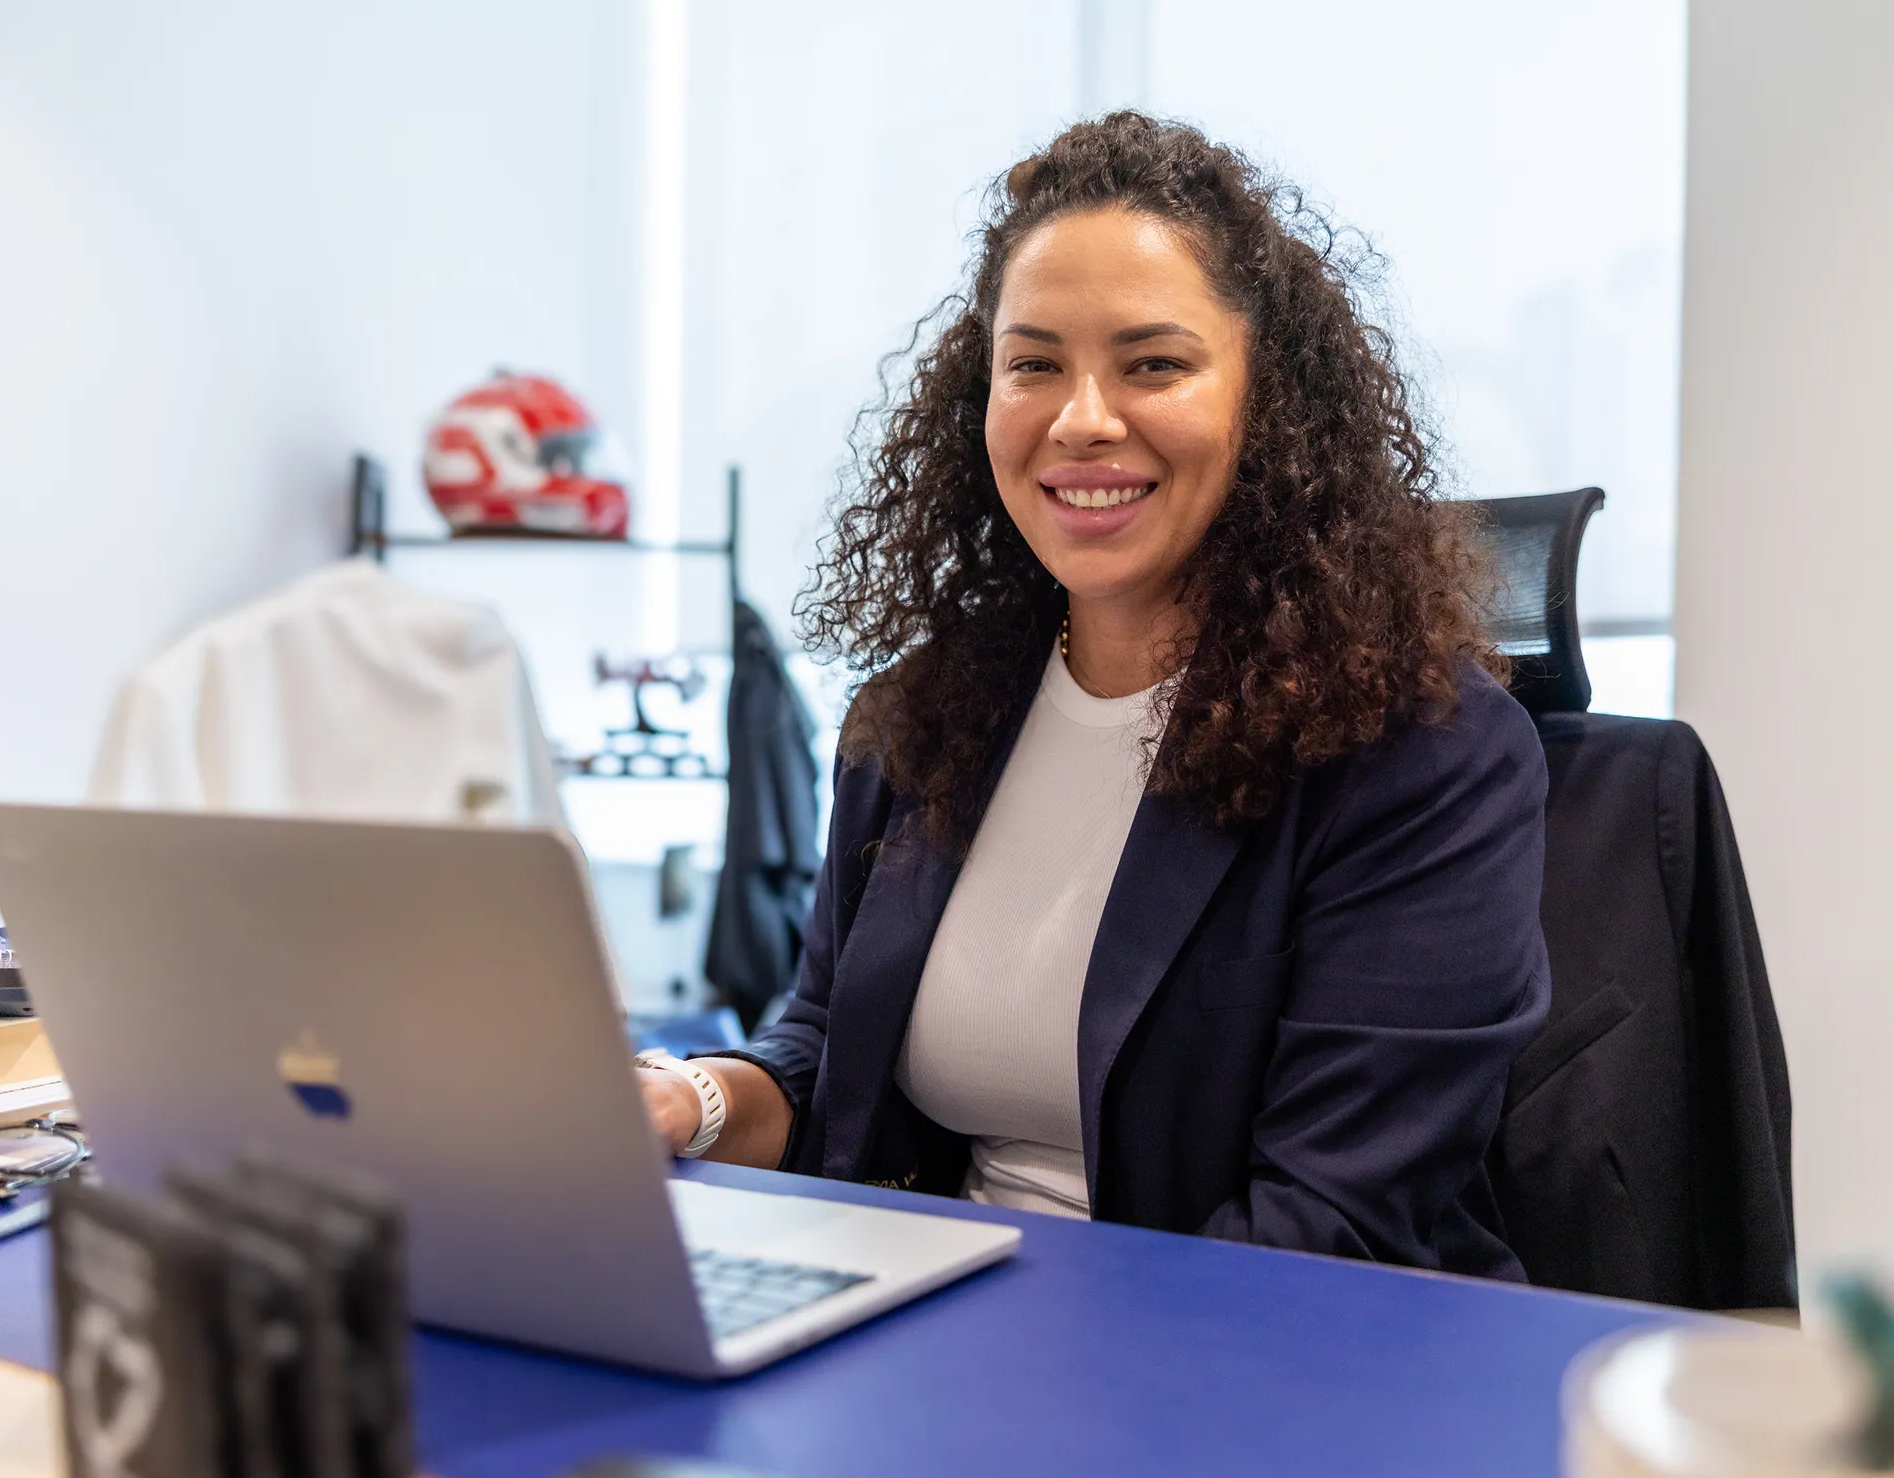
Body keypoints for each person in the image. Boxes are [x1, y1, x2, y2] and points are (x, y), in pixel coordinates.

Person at [637, 112, 1550, 1280]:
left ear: (1269, 403)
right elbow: (834, 1050)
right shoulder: (921, 717)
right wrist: (697, 1099)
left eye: (1153, 363)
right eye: (1034, 364)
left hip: (1259, 1371)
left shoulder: (1423, 754)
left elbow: (1331, 1226)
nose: (1081, 420)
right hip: (948, 1338)